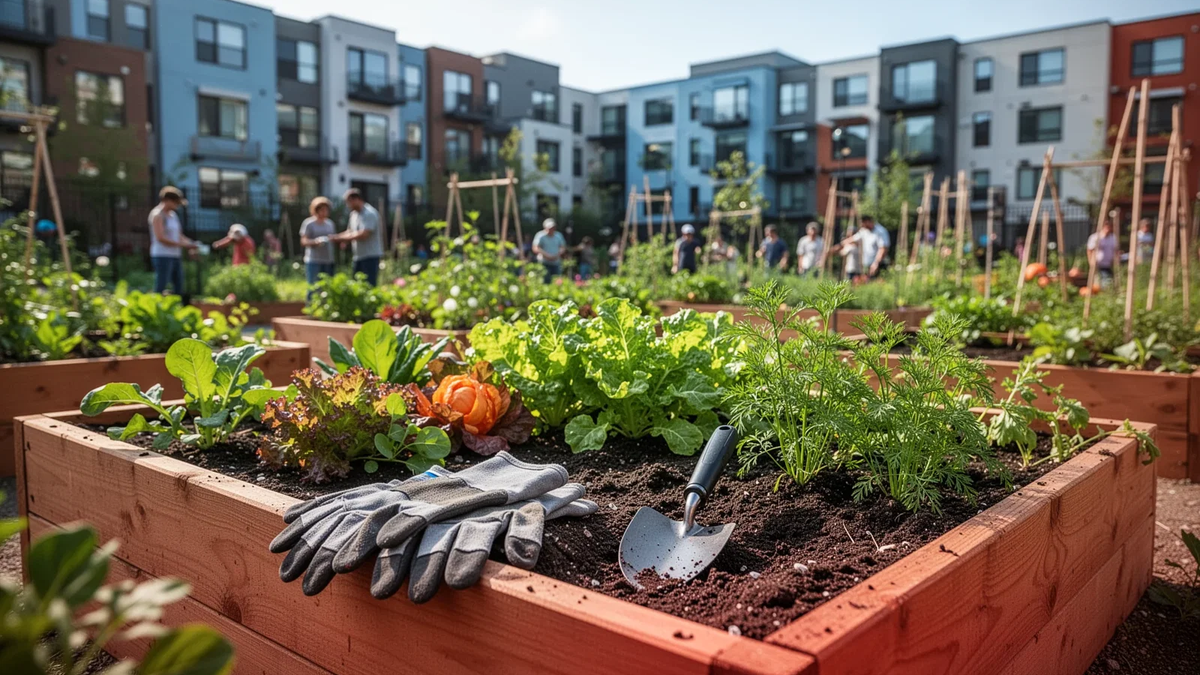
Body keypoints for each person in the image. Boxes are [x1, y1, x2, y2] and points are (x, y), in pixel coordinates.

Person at [148, 186, 198, 294]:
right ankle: (155, 308)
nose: (177, 205)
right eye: (176, 202)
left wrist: (191, 243)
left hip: (175, 255)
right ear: (167, 200)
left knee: (179, 285)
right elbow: (160, 238)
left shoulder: (173, 215)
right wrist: (183, 245)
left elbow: (179, 235)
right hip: (162, 255)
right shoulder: (157, 215)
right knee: (161, 284)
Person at [333, 188, 382, 285]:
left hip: (370, 256)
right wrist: (337, 237)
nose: (348, 205)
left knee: (369, 284)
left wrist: (341, 238)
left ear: (356, 199)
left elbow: (364, 234)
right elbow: (350, 231)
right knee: (357, 285)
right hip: (358, 256)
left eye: (349, 202)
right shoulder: (353, 214)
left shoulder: (369, 213)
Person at [300, 196, 337, 298]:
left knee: (327, 287)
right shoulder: (309, 223)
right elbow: (303, 241)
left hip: (328, 259)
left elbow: (333, 238)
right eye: (322, 210)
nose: (324, 212)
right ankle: (311, 311)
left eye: (326, 210)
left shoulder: (330, 224)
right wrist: (315, 242)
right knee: (313, 287)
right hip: (313, 260)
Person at [532, 218, 567, 282]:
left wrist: (558, 254)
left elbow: (563, 247)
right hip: (544, 262)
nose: (551, 229)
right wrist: (546, 255)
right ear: (545, 227)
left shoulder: (558, 236)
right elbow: (535, 248)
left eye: (552, 227)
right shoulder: (540, 235)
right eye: (549, 227)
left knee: (557, 280)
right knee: (545, 280)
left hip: (556, 262)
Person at [1087, 219, 1118, 286]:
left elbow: (1115, 250)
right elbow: (1089, 250)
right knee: (1101, 282)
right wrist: (1091, 262)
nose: (1108, 229)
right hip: (1098, 264)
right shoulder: (1095, 237)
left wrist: (1115, 259)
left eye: (1109, 227)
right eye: (1106, 227)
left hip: (1108, 264)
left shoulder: (1113, 238)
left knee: (1109, 280)